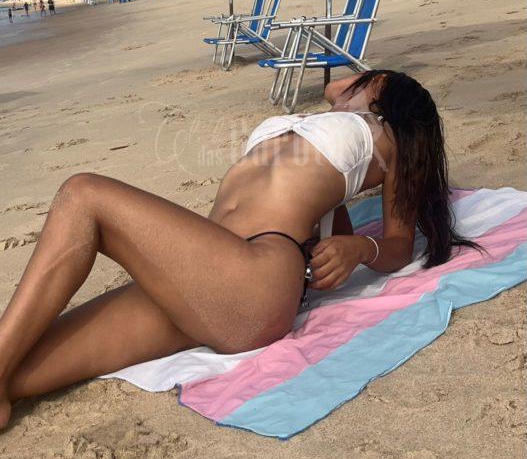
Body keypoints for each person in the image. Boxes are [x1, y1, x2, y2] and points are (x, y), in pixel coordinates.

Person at [0, 70, 480, 429]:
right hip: (209, 277)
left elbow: (398, 244)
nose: (352, 82)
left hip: (257, 276)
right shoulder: (324, 120)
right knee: (27, 363)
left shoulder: (387, 138)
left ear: (386, 92)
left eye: (371, 78)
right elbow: (334, 93)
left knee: (84, 195)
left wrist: (359, 248)